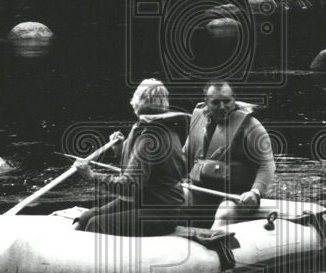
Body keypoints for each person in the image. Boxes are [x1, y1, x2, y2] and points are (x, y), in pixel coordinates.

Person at [72, 79, 188, 237]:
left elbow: (130, 185)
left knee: (96, 224)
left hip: (158, 213)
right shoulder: (158, 128)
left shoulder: (150, 138)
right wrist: (120, 148)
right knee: (87, 217)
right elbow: (140, 164)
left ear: (137, 102)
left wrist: (92, 176)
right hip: (139, 202)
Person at [185, 81, 276, 230]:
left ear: (234, 100)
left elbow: (267, 164)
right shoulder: (198, 122)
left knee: (224, 213)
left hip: (238, 195)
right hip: (202, 190)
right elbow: (185, 156)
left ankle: (214, 246)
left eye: (227, 101)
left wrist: (255, 192)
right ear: (206, 103)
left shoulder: (251, 126)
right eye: (215, 102)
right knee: (177, 199)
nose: (222, 107)